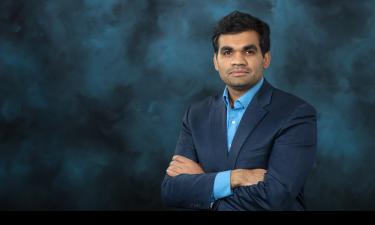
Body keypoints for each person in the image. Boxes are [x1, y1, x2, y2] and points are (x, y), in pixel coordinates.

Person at [160, 10, 317, 211]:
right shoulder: (195, 115)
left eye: (249, 51)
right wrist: (236, 177)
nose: (238, 61)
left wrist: (206, 190)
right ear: (216, 61)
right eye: (227, 52)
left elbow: (276, 198)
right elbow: (172, 191)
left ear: (265, 58)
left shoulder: (295, 113)